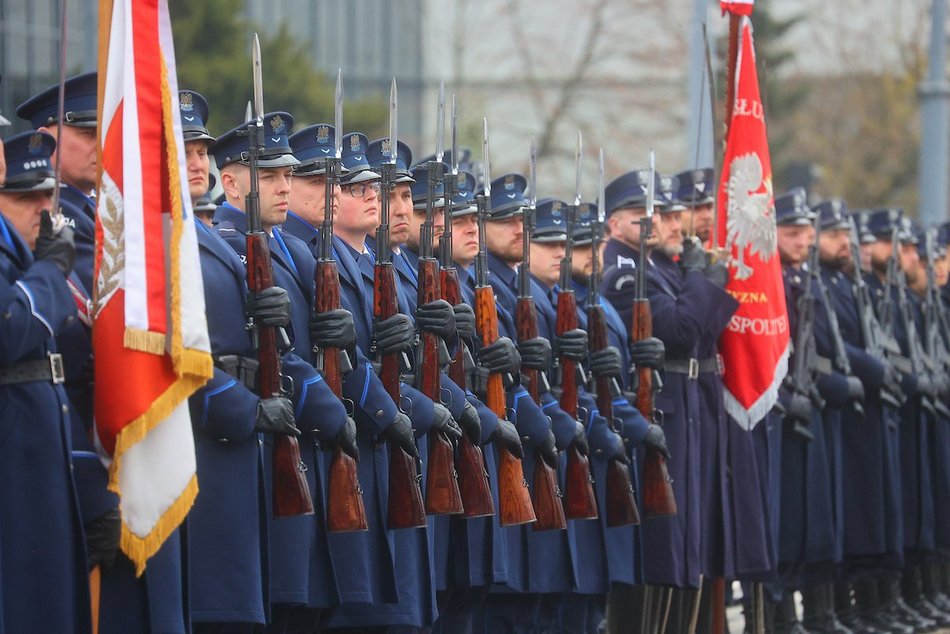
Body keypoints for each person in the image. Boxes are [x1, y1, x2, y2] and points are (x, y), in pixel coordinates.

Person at [211, 112, 358, 632]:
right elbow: (273, 353)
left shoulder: (293, 249)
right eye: (268, 176)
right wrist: (329, 407)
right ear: (229, 182)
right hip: (270, 434)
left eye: (286, 175)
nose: (283, 186)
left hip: (306, 438)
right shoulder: (229, 244)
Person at [0, 128, 91, 633]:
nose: (40, 207)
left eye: (44, 195)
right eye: (21, 197)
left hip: (38, 457)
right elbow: (11, 329)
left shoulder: (23, 254)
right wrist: (53, 271)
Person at [17, 72, 99, 292]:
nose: (100, 145)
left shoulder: (95, 204)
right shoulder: (57, 213)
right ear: (47, 139)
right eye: (88, 133)